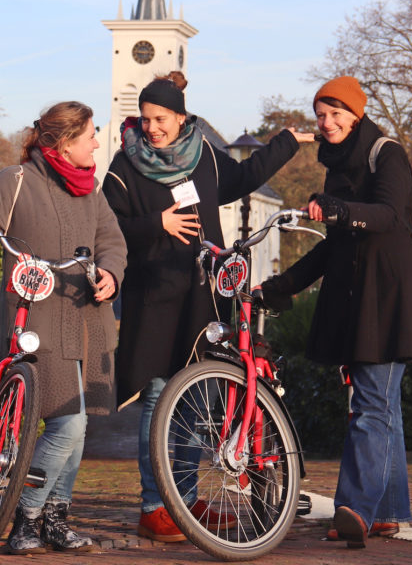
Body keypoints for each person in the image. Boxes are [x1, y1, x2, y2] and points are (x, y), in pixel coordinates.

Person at [102, 71, 313, 541]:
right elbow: (106, 228)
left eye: (161, 118)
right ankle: (154, 506)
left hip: (204, 298)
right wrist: (155, 224)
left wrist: (285, 142)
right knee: (158, 400)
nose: (152, 127)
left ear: (181, 117)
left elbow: (246, 176)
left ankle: (185, 498)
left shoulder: (206, 157)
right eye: (146, 118)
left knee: (197, 403)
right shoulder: (124, 165)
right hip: (154, 299)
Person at [0, 101, 127, 555]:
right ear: (63, 143)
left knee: (77, 427)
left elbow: (112, 242)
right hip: (33, 320)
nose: (98, 143)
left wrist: (110, 273)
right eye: (89, 136)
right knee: (68, 425)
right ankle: (26, 515)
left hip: (83, 320)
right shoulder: (15, 181)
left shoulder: (92, 191)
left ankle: (53, 520)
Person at [259, 76, 412, 549]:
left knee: (371, 404)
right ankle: (385, 511)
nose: (327, 122)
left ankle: (355, 507)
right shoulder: (336, 165)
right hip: (361, 297)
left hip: (391, 295)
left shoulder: (386, 152)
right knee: (384, 406)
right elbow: (330, 250)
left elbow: (390, 215)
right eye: (320, 114)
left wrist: (338, 209)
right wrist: (280, 285)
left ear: (357, 114)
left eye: (336, 113)